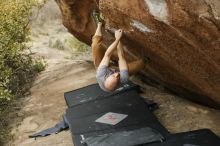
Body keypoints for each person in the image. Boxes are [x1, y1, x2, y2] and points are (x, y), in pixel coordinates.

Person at [92, 14, 145, 92]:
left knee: (96, 46)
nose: (116, 74)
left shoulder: (101, 73)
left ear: (106, 77)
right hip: (115, 69)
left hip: (101, 65)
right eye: (117, 77)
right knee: (140, 64)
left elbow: (107, 55)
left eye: (114, 76)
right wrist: (119, 38)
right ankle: (146, 60)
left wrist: (117, 39)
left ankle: (99, 24)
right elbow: (121, 57)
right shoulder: (123, 78)